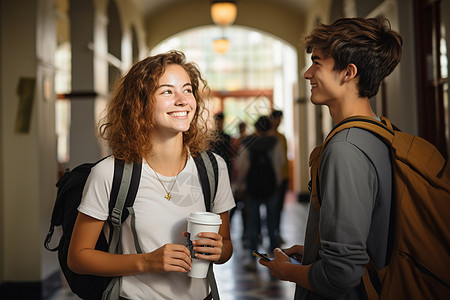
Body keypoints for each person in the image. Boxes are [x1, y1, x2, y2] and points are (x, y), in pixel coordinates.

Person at [67, 50, 235, 300]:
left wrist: (219, 251)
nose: (182, 100)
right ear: (140, 104)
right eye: (167, 91)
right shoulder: (110, 173)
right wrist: (145, 262)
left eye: (187, 90)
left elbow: (226, 247)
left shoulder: (213, 168)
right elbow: (78, 257)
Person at [259, 17, 402, 299]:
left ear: (348, 72)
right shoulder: (382, 131)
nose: (307, 74)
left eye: (317, 62)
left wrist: (285, 271)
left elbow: (341, 275)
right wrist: (314, 250)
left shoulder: (345, 148)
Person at [238, 115, 285, 271]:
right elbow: (279, 164)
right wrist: (277, 183)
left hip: (253, 187)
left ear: (256, 127)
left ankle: (253, 259)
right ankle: (277, 258)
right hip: (270, 187)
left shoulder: (248, 143)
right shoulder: (274, 142)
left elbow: (243, 166)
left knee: (252, 224)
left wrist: (241, 184)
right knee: (272, 224)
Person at [270, 110, 289, 245]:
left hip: (283, 177)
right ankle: (271, 234)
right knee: (272, 207)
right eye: (275, 118)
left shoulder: (282, 137)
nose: (278, 121)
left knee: (279, 207)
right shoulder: (269, 137)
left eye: (279, 119)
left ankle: (276, 232)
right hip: (270, 179)